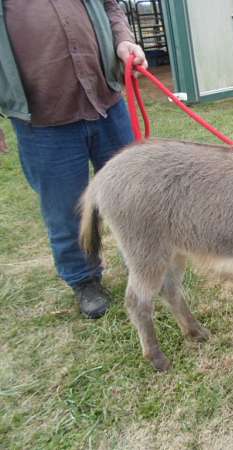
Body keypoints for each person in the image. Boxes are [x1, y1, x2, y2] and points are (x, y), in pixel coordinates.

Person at [0, 1, 148, 319]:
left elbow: (111, 7)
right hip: (43, 121)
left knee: (139, 195)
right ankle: (84, 279)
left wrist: (123, 39)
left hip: (106, 104)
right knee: (67, 209)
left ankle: (147, 265)